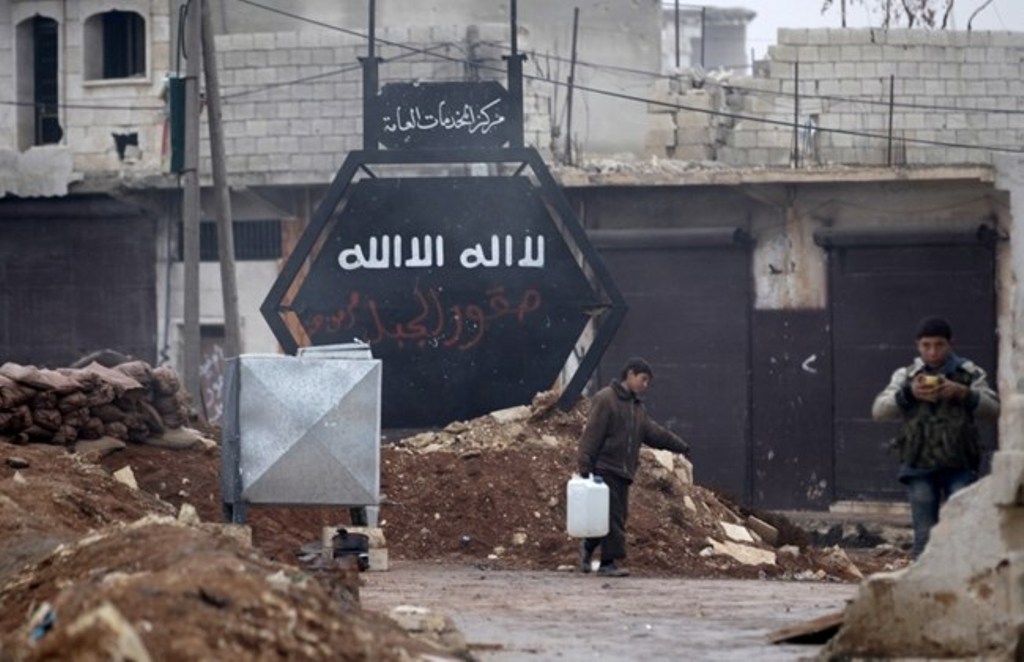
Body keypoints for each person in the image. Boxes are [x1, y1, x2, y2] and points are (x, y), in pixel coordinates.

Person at [871, 316, 999, 559]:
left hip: (959, 464)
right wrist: (909, 394)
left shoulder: (969, 373)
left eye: (939, 345)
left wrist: (965, 394)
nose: (933, 351)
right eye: (926, 345)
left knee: (962, 532)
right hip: (918, 465)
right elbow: (879, 410)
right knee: (924, 536)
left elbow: (994, 409)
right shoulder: (907, 375)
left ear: (950, 344)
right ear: (917, 346)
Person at [577, 356, 690, 577]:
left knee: (610, 517)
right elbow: (591, 434)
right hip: (604, 468)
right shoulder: (605, 399)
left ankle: (588, 547)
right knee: (613, 517)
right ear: (630, 374)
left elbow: (654, 433)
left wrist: (680, 446)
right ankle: (607, 564)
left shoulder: (636, 408)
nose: (645, 385)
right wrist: (585, 464)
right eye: (643, 379)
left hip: (624, 472)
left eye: (647, 382)